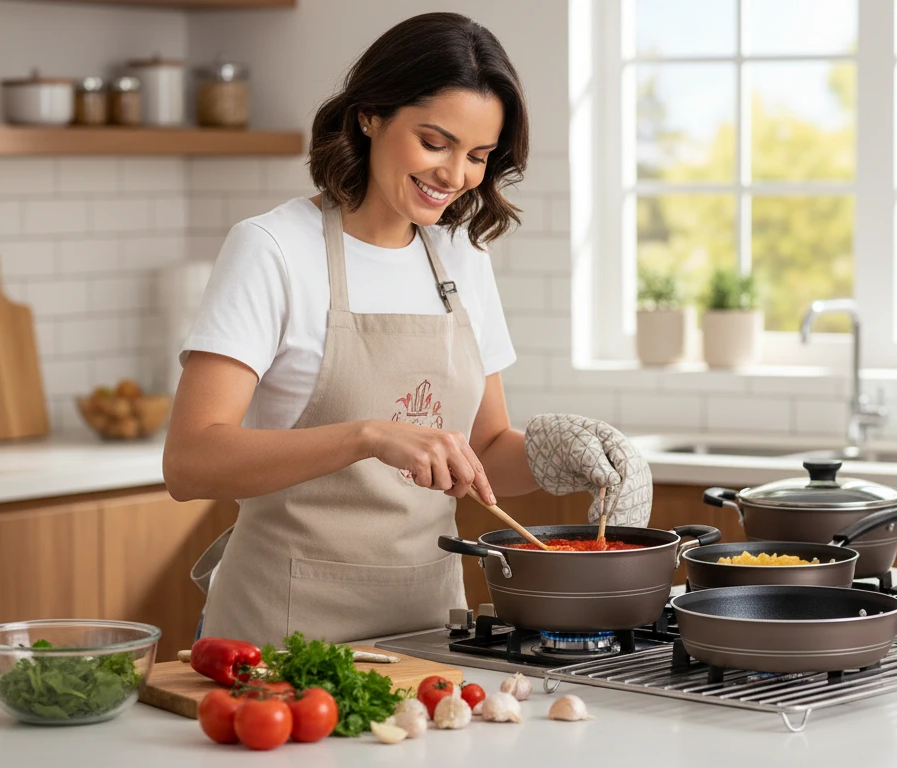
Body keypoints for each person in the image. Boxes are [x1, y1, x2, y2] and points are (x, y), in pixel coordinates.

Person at [163, 12, 651, 648]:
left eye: (477, 156)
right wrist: (367, 436)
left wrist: (551, 454)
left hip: (429, 628)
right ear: (370, 115)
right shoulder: (273, 248)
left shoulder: (462, 257)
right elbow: (191, 464)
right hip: (283, 630)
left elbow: (482, 454)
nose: (454, 175)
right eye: (434, 142)